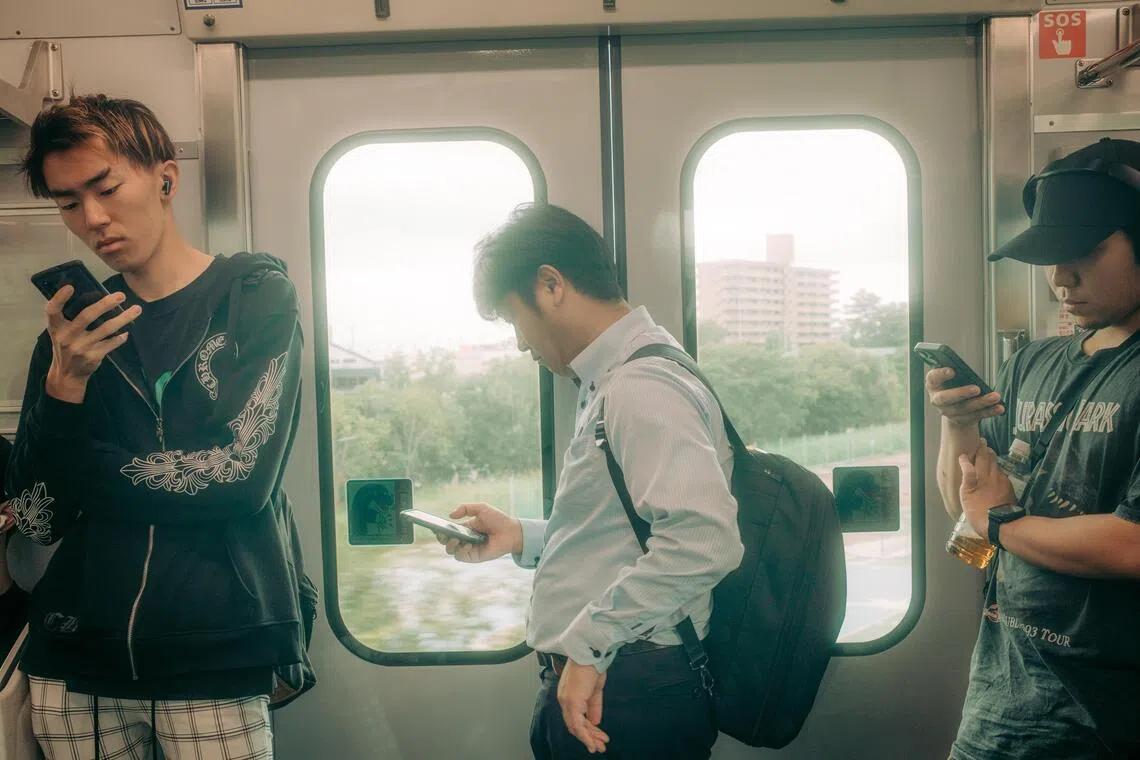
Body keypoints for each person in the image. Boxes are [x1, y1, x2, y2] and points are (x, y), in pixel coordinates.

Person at [2, 94, 314, 760]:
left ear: (165, 179)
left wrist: (88, 468)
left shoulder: (253, 297)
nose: (92, 219)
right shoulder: (68, 344)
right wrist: (63, 391)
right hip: (75, 662)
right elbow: (36, 521)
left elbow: (237, 478)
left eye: (105, 188)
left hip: (214, 653)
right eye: (67, 203)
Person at [439, 203, 744, 759]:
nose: (520, 343)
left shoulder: (641, 385)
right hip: (618, 677)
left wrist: (587, 647)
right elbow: (626, 531)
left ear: (551, 284)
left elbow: (705, 542)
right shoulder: (617, 377)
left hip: (627, 688)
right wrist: (523, 537)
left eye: (514, 320)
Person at [927, 137, 1140, 760]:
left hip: (1103, 725)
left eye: (1086, 252)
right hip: (998, 711)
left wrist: (1002, 522)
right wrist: (957, 425)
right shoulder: (1034, 363)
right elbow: (962, 506)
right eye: (1051, 257)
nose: (1061, 280)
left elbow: (1133, 543)